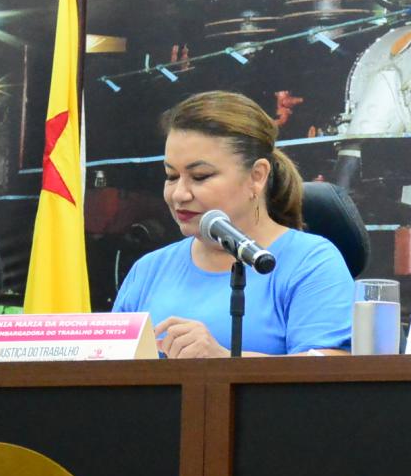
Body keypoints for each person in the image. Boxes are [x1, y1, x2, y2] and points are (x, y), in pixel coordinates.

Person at [112, 91, 354, 357]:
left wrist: (223, 360)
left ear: (257, 176)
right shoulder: (148, 270)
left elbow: (330, 372)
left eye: (200, 176)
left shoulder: (311, 262)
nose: (180, 194)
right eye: (171, 176)